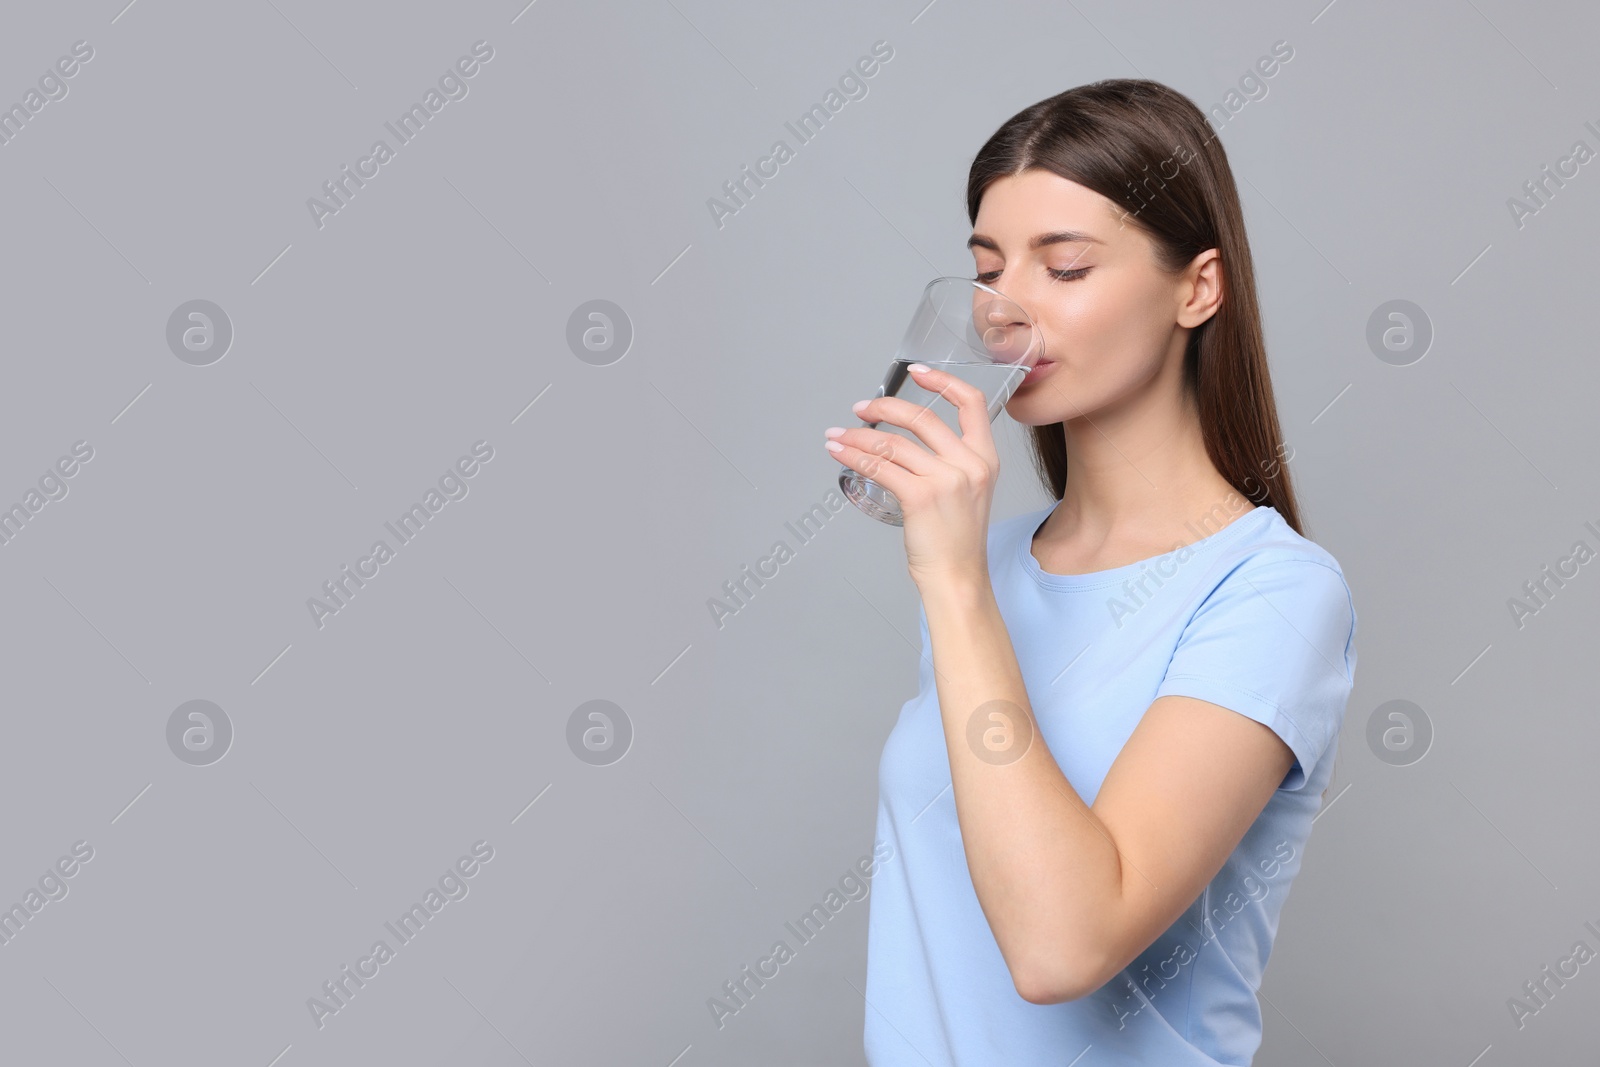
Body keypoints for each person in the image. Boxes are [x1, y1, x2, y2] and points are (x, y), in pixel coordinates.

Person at [822, 78, 1358, 1065]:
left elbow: (1060, 943)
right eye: (987, 267)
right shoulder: (983, 554)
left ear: (1196, 288)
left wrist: (951, 588)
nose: (1002, 309)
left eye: (1063, 266)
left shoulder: (1273, 592)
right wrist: (962, 572)